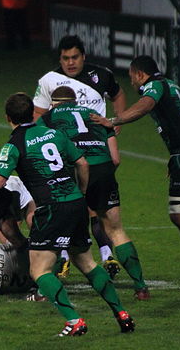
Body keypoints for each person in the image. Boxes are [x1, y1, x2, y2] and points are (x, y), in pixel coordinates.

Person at [0, 92, 135, 336]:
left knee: (39, 271)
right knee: (87, 262)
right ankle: (122, 313)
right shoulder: (55, 134)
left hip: (51, 209)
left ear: (8, 117)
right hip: (76, 204)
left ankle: (74, 321)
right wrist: (80, 191)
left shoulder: (14, 144)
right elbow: (82, 163)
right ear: (32, 114)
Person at [90, 55, 180, 294]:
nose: (133, 85)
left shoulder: (153, 86)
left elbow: (146, 104)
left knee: (179, 214)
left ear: (138, 74)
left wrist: (114, 120)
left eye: (132, 78)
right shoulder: (172, 85)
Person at [38, 86, 149, 300]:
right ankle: (141, 287)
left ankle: (45, 291)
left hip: (74, 170)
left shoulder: (48, 118)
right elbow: (116, 158)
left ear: (53, 103)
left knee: (56, 228)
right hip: (103, 168)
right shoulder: (95, 116)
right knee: (116, 230)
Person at [33, 35, 127, 275]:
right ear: (60, 59)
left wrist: (117, 122)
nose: (70, 63)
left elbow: (118, 94)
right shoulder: (50, 80)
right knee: (84, 207)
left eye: (75, 57)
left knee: (87, 206)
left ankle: (73, 255)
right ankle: (99, 255)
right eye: (65, 58)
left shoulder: (102, 75)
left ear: (83, 56)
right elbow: (38, 115)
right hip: (68, 152)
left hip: (97, 146)